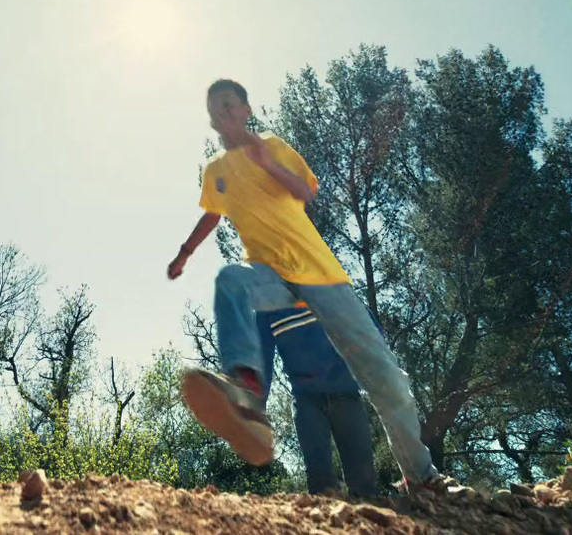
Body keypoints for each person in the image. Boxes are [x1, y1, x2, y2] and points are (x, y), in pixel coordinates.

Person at [166, 78, 447, 493]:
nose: (222, 115)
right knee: (232, 280)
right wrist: (185, 252)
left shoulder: (274, 146)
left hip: (322, 276)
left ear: (246, 108)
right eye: (215, 109)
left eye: (229, 105)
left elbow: (306, 191)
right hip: (270, 275)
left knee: (387, 380)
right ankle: (246, 397)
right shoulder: (215, 171)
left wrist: (267, 163)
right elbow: (213, 214)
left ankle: (421, 476)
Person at [257, 303, 378, 497]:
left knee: (364, 481)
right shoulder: (267, 308)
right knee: (320, 481)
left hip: (346, 393)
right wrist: (256, 412)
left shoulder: (323, 288)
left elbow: (367, 326)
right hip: (306, 401)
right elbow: (262, 361)